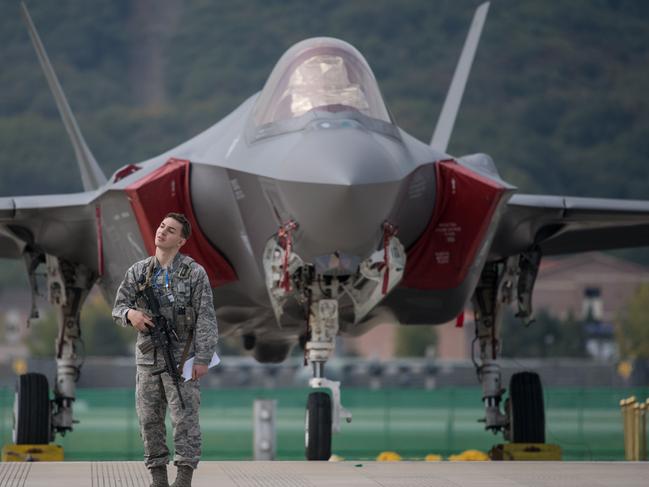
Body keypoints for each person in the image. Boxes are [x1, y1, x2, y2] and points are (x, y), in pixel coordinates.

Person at [113, 212, 218, 487]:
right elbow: (118, 307)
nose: (162, 232)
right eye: (161, 226)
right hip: (148, 359)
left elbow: (206, 317)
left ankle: (183, 478)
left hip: (182, 357)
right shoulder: (139, 271)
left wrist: (203, 357)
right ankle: (158, 478)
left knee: (184, 417)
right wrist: (131, 315)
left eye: (170, 230)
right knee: (149, 419)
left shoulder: (194, 273)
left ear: (181, 241)